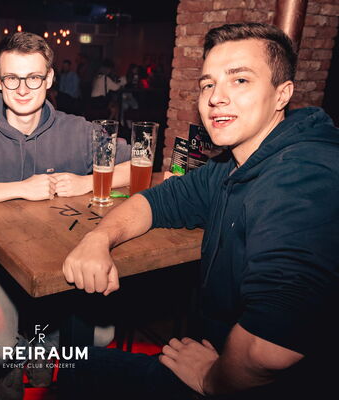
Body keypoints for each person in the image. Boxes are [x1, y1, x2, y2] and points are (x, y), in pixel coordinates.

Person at [60, 23, 339, 399]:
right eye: (208, 84)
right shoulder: (235, 164)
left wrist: (212, 379)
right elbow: (156, 201)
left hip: (255, 382)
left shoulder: (303, 175)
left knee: (78, 368)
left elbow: (271, 348)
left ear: (281, 94)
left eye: (240, 80)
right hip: (219, 355)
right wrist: (98, 238)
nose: (216, 98)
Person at [0, 32, 131, 399]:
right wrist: (20, 188)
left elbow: (138, 162)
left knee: (99, 337)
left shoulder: (75, 129)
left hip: (61, 258)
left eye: (34, 77)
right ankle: (20, 359)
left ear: (49, 78)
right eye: (12, 78)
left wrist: (86, 181)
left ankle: (43, 349)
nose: (23, 89)